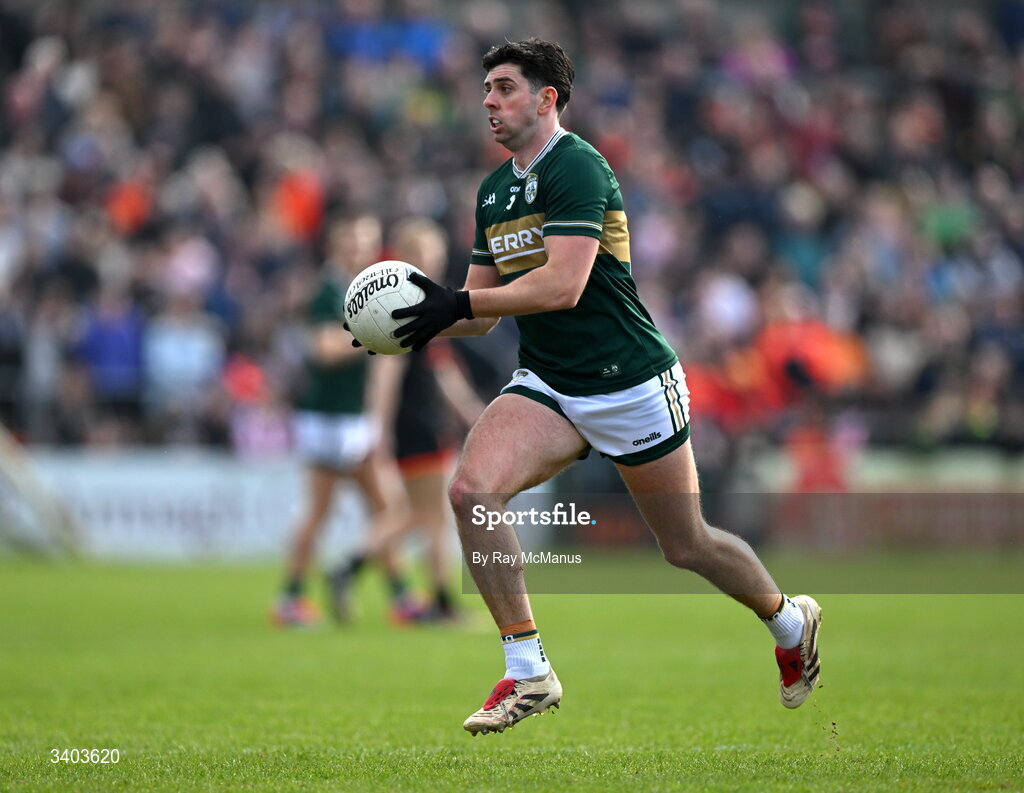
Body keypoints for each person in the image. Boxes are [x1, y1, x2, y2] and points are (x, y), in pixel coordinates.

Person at [370, 38, 822, 734]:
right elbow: (478, 314)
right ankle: (529, 671)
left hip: (632, 382)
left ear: (547, 99)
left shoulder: (578, 166)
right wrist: (412, 321)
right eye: (486, 88)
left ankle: (791, 622)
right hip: (551, 382)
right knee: (471, 492)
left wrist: (456, 303)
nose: (488, 100)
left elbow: (562, 284)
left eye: (504, 87)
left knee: (687, 545)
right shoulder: (493, 190)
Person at [328, 217, 486, 623]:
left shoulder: (419, 302)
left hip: (424, 421)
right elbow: (386, 371)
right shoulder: (400, 304)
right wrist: (378, 428)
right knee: (425, 514)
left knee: (429, 515)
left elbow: (443, 371)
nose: (432, 263)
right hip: (418, 424)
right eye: (424, 255)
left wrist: (475, 414)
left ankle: (438, 599)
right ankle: (354, 565)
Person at [270, 213, 412, 627]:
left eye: (366, 240)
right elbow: (323, 351)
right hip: (329, 419)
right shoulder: (327, 291)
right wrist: (374, 331)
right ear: (335, 242)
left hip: (351, 418)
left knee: (384, 508)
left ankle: (395, 595)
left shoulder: (360, 290)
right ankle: (293, 597)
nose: (358, 248)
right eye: (351, 239)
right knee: (335, 510)